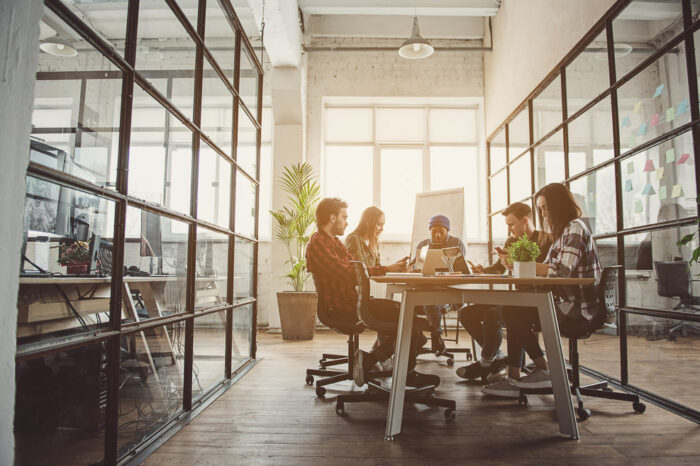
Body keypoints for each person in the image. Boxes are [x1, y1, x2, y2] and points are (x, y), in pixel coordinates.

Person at [481, 183, 602, 398]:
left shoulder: (575, 229)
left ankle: (540, 371)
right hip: (564, 302)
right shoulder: (563, 232)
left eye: (545, 208)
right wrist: (516, 265)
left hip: (576, 309)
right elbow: (543, 269)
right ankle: (528, 372)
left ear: (558, 206)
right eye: (541, 209)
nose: (543, 214)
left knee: (513, 312)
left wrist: (521, 264)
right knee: (513, 310)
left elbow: (562, 271)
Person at [306, 198, 440, 388]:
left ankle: (372, 360)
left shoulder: (334, 242)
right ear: (332, 217)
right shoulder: (319, 244)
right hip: (344, 308)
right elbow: (351, 272)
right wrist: (387, 268)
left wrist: (391, 268)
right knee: (409, 320)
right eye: (344, 217)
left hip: (354, 302)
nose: (347, 222)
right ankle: (403, 373)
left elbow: (358, 267)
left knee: (411, 320)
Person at [456, 202, 552, 381]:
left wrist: (518, 266)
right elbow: (499, 268)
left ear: (524, 220)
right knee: (467, 313)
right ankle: (497, 357)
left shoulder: (546, 240)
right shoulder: (511, 242)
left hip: (536, 302)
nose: (509, 230)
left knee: (494, 315)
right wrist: (483, 271)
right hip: (516, 299)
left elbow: (549, 271)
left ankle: (487, 362)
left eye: (511, 224)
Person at [345, 206, 411, 370]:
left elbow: (377, 269)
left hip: (364, 296)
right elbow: (361, 269)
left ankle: (376, 356)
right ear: (368, 222)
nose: (382, 229)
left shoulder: (374, 242)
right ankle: (379, 357)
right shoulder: (354, 239)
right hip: (356, 297)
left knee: (399, 314)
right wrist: (390, 268)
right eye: (379, 224)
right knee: (403, 317)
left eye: (383, 225)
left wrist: (398, 267)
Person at [413, 215, 467, 354]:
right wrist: (414, 267)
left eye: (441, 232)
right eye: (433, 231)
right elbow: (415, 267)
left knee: (430, 300)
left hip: (449, 291)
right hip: (426, 289)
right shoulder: (423, 245)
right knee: (424, 299)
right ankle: (430, 337)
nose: (437, 235)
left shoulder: (456, 243)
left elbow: (460, 269)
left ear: (447, 231)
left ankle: (435, 335)